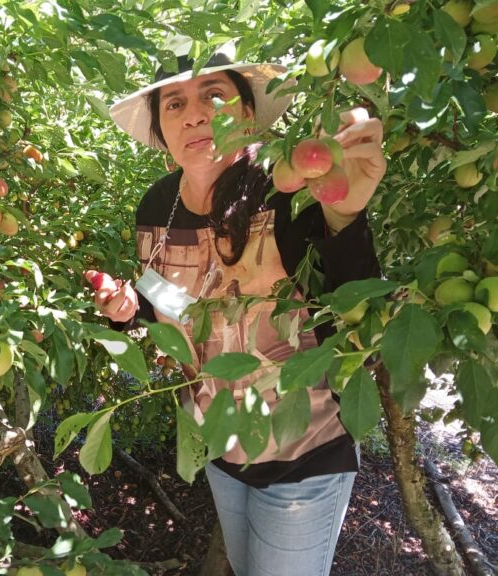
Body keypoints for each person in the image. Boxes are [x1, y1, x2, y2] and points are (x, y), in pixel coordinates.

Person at [87, 41, 386, 576]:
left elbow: (357, 312)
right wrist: (129, 308)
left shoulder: (290, 190)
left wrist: (346, 218)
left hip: (304, 455)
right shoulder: (157, 207)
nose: (195, 112)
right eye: (174, 103)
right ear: (160, 130)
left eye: (214, 93)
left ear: (248, 112)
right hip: (220, 446)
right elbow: (172, 307)